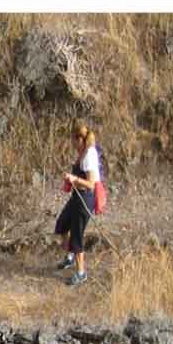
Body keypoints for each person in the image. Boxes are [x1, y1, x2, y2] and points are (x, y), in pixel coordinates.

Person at [55, 121, 101, 286]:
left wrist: (74, 179)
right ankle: (70, 256)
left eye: (73, 140)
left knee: (77, 236)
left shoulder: (89, 155)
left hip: (85, 199)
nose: (72, 144)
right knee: (61, 225)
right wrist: (70, 180)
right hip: (76, 197)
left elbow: (91, 184)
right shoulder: (82, 152)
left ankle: (81, 273)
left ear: (79, 139)